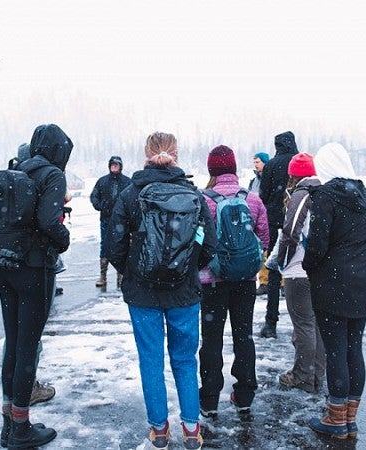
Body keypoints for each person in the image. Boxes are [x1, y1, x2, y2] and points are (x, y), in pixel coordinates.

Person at [108, 132, 217, 450]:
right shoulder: (194, 195)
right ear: (177, 154)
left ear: (145, 153)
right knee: (185, 360)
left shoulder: (130, 194)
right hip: (184, 293)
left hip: (142, 295)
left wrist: (135, 272)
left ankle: (158, 429)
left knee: (151, 360)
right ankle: (192, 428)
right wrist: (185, 268)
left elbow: (115, 245)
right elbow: (209, 246)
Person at [0, 124, 71, 449]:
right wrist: (64, 240)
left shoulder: (16, 168)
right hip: (34, 268)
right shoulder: (52, 175)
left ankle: (8, 423)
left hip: (5, 264)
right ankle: (22, 429)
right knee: (28, 346)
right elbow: (48, 221)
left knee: (13, 344)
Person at [303, 142, 366, 440]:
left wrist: (311, 265)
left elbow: (318, 245)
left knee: (335, 349)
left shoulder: (324, 196)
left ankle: (335, 420)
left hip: (332, 282)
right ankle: (349, 418)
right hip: (362, 282)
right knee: (353, 349)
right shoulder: (365, 194)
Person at [197, 145, 268, 419]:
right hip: (245, 282)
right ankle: (245, 393)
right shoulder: (252, 198)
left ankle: (210, 398)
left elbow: (198, 240)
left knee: (212, 340)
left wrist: (211, 264)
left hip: (212, 283)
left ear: (211, 169)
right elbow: (263, 238)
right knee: (244, 335)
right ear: (235, 168)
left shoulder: (203, 200)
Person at [266, 152, 325, 394]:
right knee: (317, 324)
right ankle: (317, 375)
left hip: (299, 270)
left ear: (293, 174)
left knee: (303, 324)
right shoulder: (324, 194)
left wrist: (282, 261)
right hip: (317, 270)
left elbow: (290, 232)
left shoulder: (301, 195)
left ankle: (302, 375)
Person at [258, 131, 299, 338]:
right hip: (298, 222)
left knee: (274, 269)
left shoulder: (272, 164)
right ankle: (301, 324)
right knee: (300, 270)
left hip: (276, 221)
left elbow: (263, 194)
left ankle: (270, 322)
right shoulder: (299, 162)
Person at [90, 155, 131, 288]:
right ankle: (103, 276)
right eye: (112, 164)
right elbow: (94, 196)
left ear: (120, 166)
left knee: (122, 245)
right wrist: (101, 205)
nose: (114, 167)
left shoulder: (127, 182)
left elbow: (132, 199)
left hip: (122, 221)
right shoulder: (102, 181)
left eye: (116, 165)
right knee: (105, 246)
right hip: (106, 220)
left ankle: (121, 276)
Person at [249, 152, 270, 296]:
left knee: (270, 250)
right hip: (256, 218)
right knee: (261, 251)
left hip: (267, 217)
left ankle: (278, 281)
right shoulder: (253, 181)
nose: (255, 165)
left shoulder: (269, 179)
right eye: (254, 162)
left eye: (258, 162)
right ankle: (263, 280)